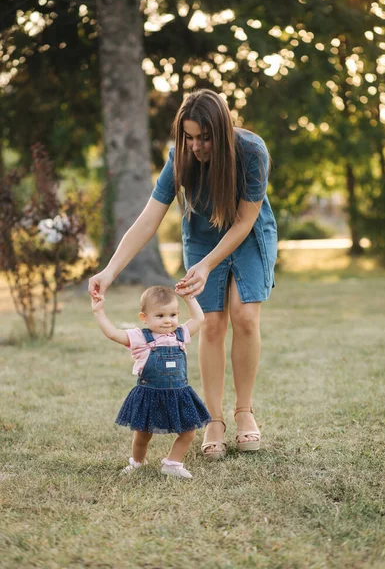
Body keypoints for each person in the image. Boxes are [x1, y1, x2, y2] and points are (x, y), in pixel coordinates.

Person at [88, 89, 277, 461]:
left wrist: (207, 265)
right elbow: (149, 219)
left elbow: (244, 220)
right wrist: (109, 271)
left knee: (245, 317)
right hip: (202, 238)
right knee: (211, 324)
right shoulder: (179, 158)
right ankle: (214, 420)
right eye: (189, 137)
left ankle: (244, 412)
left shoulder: (252, 152)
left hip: (248, 236)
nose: (196, 146)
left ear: (221, 132)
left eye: (204, 137)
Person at [91, 285, 211, 479]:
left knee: (189, 431)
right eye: (160, 315)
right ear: (144, 317)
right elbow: (113, 333)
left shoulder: (181, 334)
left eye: (172, 315)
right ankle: (137, 462)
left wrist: (189, 298)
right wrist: (99, 311)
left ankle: (173, 463)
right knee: (143, 434)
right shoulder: (140, 337)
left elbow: (199, 318)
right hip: (150, 394)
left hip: (179, 394)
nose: (167, 321)